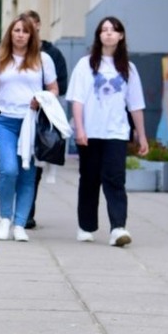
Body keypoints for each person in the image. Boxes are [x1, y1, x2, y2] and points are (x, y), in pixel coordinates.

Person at [66, 16, 148, 247]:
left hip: (117, 133)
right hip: (90, 133)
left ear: (121, 35)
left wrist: (142, 136)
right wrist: (79, 129)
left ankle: (118, 228)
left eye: (113, 30)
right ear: (99, 35)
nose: (109, 33)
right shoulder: (86, 65)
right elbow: (77, 101)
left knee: (115, 179)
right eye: (104, 30)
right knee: (89, 179)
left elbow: (136, 105)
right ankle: (86, 225)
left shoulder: (128, 69)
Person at [0, 13, 57, 242]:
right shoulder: (0, 58)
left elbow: (54, 89)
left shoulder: (42, 60)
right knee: (8, 170)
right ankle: (5, 218)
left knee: (28, 174)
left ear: (32, 35)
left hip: (31, 122)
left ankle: (20, 223)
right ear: (10, 33)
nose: (20, 35)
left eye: (25, 31)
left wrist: (41, 98)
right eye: (16, 30)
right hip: (4, 121)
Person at [22, 9, 66, 230]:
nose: (23, 32)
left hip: (40, 117)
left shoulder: (51, 54)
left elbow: (60, 85)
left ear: (38, 26)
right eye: (20, 28)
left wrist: (42, 98)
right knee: (13, 167)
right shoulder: (10, 52)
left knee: (34, 167)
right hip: (14, 116)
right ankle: (19, 211)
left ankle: (27, 212)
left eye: (29, 26)